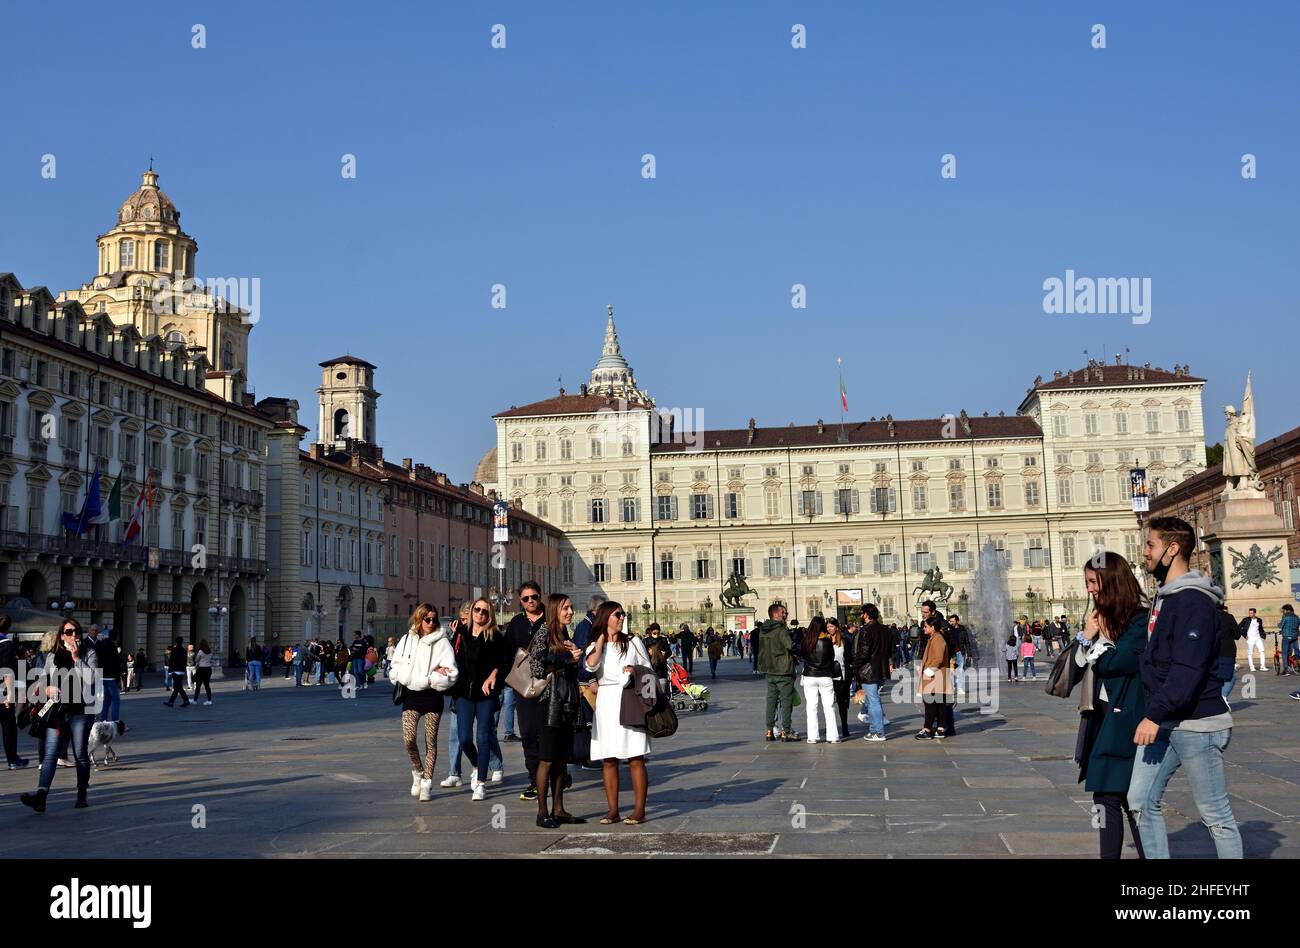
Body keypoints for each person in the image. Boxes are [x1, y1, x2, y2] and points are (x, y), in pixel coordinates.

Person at [1127, 516, 1241, 859]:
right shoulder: (1166, 597)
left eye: (1150, 545)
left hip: (1197, 723)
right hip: (1166, 719)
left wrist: (1153, 715)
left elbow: (1187, 669)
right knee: (1139, 800)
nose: (1144, 552)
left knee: (1215, 814)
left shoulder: (1192, 600)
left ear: (1172, 549)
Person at [1074, 551, 1149, 860]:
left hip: (1126, 717)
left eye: (1093, 582)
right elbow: (1075, 668)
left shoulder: (1140, 619)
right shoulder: (1098, 619)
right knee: (1109, 795)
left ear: (1110, 580)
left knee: (1127, 797)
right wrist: (1084, 637)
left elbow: (1118, 662)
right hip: (1101, 716)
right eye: (1088, 582)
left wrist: (1098, 640)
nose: (1090, 589)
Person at [584, 601, 652, 824]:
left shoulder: (633, 642)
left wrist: (635, 670)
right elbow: (591, 665)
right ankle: (613, 810)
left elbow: (649, 670)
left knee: (635, 757)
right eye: (617, 615)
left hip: (630, 700)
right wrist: (601, 640)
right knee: (609, 759)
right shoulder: (595, 645)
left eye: (623, 614)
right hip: (606, 704)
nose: (622, 618)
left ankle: (639, 810)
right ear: (605, 618)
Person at [20, 619, 95, 812]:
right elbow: (42, 681)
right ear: (62, 635)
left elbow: (91, 679)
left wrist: (77, 658)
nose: (74, 635)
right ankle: (41, 795)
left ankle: (81, 792)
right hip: (57, 712)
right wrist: (48, 688)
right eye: (69, 632)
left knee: (80, 754)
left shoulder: (89, 653)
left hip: (81, 712)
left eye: (76, 631)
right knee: (50, 754)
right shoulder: (52, 657)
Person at [390, 604, 458, 802]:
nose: (431, 623)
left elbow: (452, 672)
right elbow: (395, 664)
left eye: (434, 620)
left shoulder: (442, 642)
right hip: (411, 694)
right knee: (408, 740)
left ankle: (427, 783)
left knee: (431, 741)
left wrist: (432, 679)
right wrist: (399, 676)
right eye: (427, 619)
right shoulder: (406, 640)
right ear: (418, 619)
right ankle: (418, 771)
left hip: (432, 695)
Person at [530, 594, 585, 827]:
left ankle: (559, 809)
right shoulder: (544, 631)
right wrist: (566, 657)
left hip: (566, 701)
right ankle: (542, 812)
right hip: (548, 701)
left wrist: (574, 659)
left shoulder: (565, 634)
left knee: (562, 759)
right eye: (565, 608)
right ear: (555, 610)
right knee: (547, 758)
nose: (570, 612)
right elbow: (537, 665)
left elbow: (566, 668)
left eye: (571, 607)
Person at [449, 597, 510, 801]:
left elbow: (503, 662)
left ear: (489, 614)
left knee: (483, 736)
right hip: (464, 693)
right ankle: (477, 764)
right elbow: (450, 656)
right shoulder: (462, 632)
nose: (480, 614)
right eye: (477, 610)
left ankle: (481, 783)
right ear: (472, 611)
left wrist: (494, 675)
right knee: (465, 738)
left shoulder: (495, 636)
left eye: (485, 611)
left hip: (486, 694)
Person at [504, 582, 547, 801]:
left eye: (534, 597)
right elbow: (505, 651)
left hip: (548, 686)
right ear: (520, 601)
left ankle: (555, 773)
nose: (530, 601)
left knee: (547, 732)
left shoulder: (551, 621)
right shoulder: (516, 623)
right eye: (526, 598)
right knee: (528, 732)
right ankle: (534, 779)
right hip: (523, 686)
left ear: (541, 597)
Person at [756, 603, 798, 741]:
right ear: (775, 614)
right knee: (786, 701)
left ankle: (769, 730)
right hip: (783, 670)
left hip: (769, 670)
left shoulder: (763, 630)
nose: (786, 615)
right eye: (783, 613)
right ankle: (786, 731)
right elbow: (790, 646)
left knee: (771, 700)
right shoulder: (781, 630)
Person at [852, 603, 890, 741]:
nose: (861, 616)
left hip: (869, 670)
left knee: (873, 700)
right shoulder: (884, 629)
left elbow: (864, 652)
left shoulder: (866, 630)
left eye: (862, 613)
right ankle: (874, 729)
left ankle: (879, 732)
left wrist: (855, 665)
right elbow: (890, 649)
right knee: (873, 699)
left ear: (866, 615)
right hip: (881, 668)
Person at [800, 617, 840, 743]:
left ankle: (812, 737)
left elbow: (803, 656)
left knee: (811, 707)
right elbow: (831, 657)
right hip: (825, 675)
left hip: (809, 675)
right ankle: (833, 736)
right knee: (829, 707)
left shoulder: (806, 641)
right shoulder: (827, 641)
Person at [916, 615, 954, 740]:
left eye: (926, 626)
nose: (924, 629)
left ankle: (927, 729)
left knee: (930, 704)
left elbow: (938, 659)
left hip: (934, 676)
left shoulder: (937, 639)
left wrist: (927, 672)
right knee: (939, 704)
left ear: (933, 627)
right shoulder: (935, 638)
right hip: (937, 676)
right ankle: (940, 729)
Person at [0, 616, 28, 770]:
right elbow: (7, 672)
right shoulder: (6, 645)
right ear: (8, 628)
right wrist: (10, 695)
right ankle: (12, 760)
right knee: (8, 727)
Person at [93, 630, 122, 723]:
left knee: (106, 701)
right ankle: (115, 721)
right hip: (111, 677)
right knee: (116, 701)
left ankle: (103, 720)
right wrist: (118, 679)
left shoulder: (101, 645)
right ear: (117, 638)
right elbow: (116, 664)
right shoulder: (113, 647)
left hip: (101, 676)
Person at [1216, 605, 1240, 700]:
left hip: (1210, 651)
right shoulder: (1228, 617)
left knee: (1214, 676)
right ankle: (1223, 696)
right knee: (1230, 676)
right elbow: (1237, 634)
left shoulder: (1206, 616)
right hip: (1227, 650)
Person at [164, 637, 191, 707]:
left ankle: (186, 700)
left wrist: (170, 671)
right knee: (177, 687)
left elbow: (171, 661)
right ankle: (171, 702)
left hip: (175, 671)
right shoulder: (184, 651)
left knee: (178, 687)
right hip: (181, 671)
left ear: (176, 642)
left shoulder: (174, 650)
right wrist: (183, 670)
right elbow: (185, 662)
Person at [1239, 608, 1266, 672]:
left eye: (1251, 613)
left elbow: (1261, 629)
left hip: (1258, 638)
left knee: (1262, 651)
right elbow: (1239, 627)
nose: (1250, 614)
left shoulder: (1259, 620)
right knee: (1250, 653)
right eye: (1249, 613)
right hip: (1250, 638)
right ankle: (1251, 667)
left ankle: (1262, 666)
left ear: (1254, 613)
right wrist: (1244, 635)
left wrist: (1263, 635)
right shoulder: (1245, 620)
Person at [1280, 604, 1300, 675]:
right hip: (1295, 636)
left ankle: (1286, 669)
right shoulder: (1297, 617)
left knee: (1284, 653)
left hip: (1287, 636)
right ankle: (1297, 661)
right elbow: (1298, 627)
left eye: (1283, 610)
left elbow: (1280, 626)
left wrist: (1278, 623)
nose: (1283, 612)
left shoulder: (1285, 616)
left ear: (1286, 610)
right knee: (1296, 650)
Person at [192, 640, 214, 705]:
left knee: (198, 685)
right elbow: (210, 658)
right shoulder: (210, 651)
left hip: (202, 669)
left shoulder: (200, 651)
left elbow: (196, 660)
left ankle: (195, 700)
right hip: (208, 669)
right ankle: (209, 700)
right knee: (207, 685)